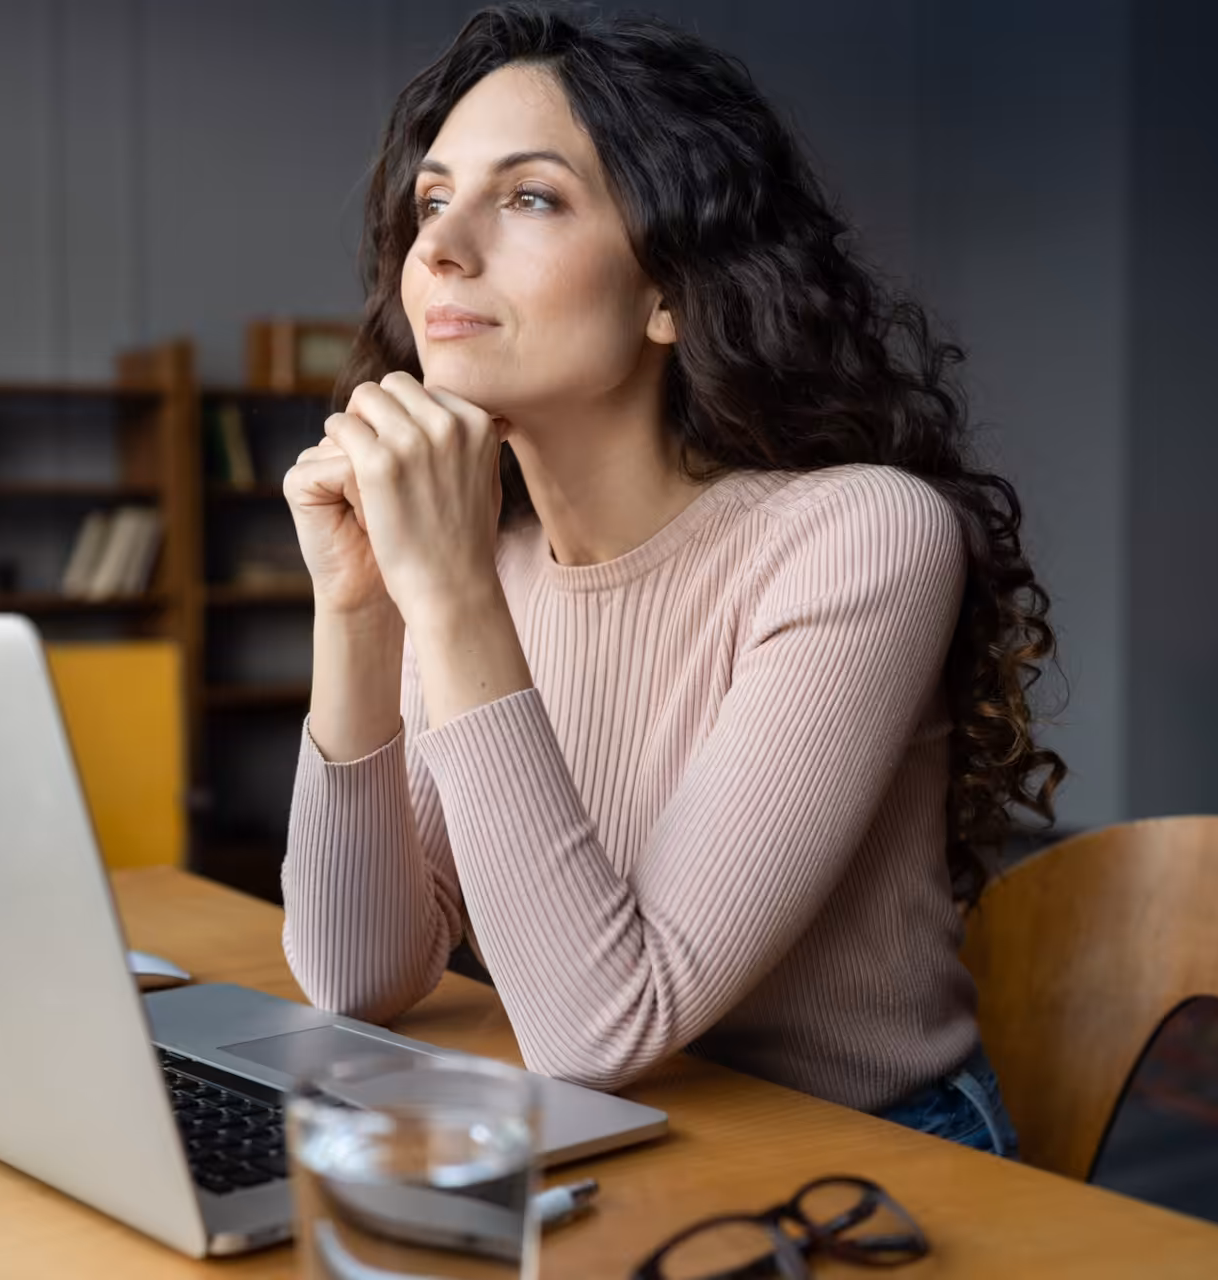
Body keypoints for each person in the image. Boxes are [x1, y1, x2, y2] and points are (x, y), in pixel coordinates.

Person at [277, 3, 1065, 1157]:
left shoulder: (858, 537)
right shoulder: (485, 568)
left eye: (532, 196)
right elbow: (357, 976)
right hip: (613, 1132)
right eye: (434, 199)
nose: (438, 248)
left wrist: (444, 599)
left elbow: (608, 1023)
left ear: (672, 294)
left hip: (865, 1159)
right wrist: (356, 609)